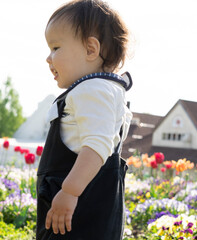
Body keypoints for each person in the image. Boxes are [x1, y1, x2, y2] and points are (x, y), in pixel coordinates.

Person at [36, 0, 132, 239]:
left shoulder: (92, 90)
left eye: (56, 48)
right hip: (89, 211)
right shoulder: (105, 91)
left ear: (91, 49)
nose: (49, 58)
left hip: (78, 214)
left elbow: (97, 146)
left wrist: (69, 191)